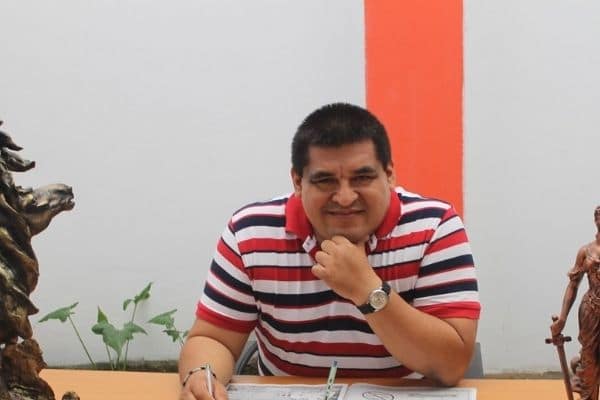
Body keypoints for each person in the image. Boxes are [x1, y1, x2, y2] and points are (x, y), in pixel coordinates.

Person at [179, 103, 481, 400]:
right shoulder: (250, 233)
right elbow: (214, 338)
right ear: (298, 182)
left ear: (389, 175)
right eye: (325, 181)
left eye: (362, 178)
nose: (345, 197)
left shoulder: (434, 227)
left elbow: (450, 365)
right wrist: (202, 376)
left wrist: (367, 290)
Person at [551, 206, 600, 400]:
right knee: (590, 360)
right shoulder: (586, 251)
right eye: (599, 217)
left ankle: (578, 365)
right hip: (591, 311)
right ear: (595, 221)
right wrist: (562, 318)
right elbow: (573, 285)